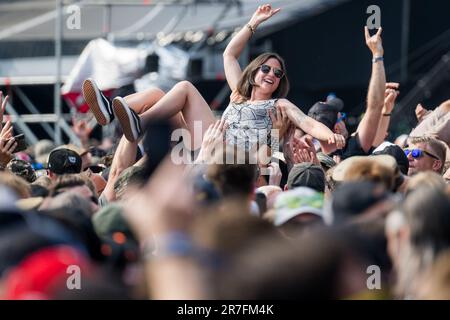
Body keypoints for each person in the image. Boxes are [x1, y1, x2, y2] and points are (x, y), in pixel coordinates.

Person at [83, 4, 345, 159]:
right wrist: (252, 23)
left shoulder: (280, 105)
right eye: (266, 68)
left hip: (226, 153)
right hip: (205, 139)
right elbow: (229, 54)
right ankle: (110, 112)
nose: (272, 75)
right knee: (153, 92)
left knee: (184, 87)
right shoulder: (239, 93)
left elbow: (308, 123)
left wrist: (330, 135)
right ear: (253, 72)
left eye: (278, 74)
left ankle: (138, 123)